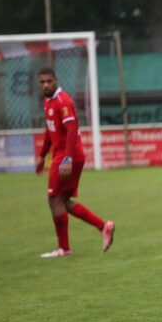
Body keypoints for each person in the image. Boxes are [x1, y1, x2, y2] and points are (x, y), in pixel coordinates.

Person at [34, 67, 115, 257]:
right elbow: (50, 130)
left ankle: (64, 248)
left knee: (54, 199)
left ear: (56, 80)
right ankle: (103, 226)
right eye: (42, 82)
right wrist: (42, 156)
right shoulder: (47, 101)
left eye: (49, 81)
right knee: (62, 201)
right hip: (64, 155)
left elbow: (71, 130)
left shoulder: (63, 101)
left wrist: (67, 158)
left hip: (67, 156)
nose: (45, 85)